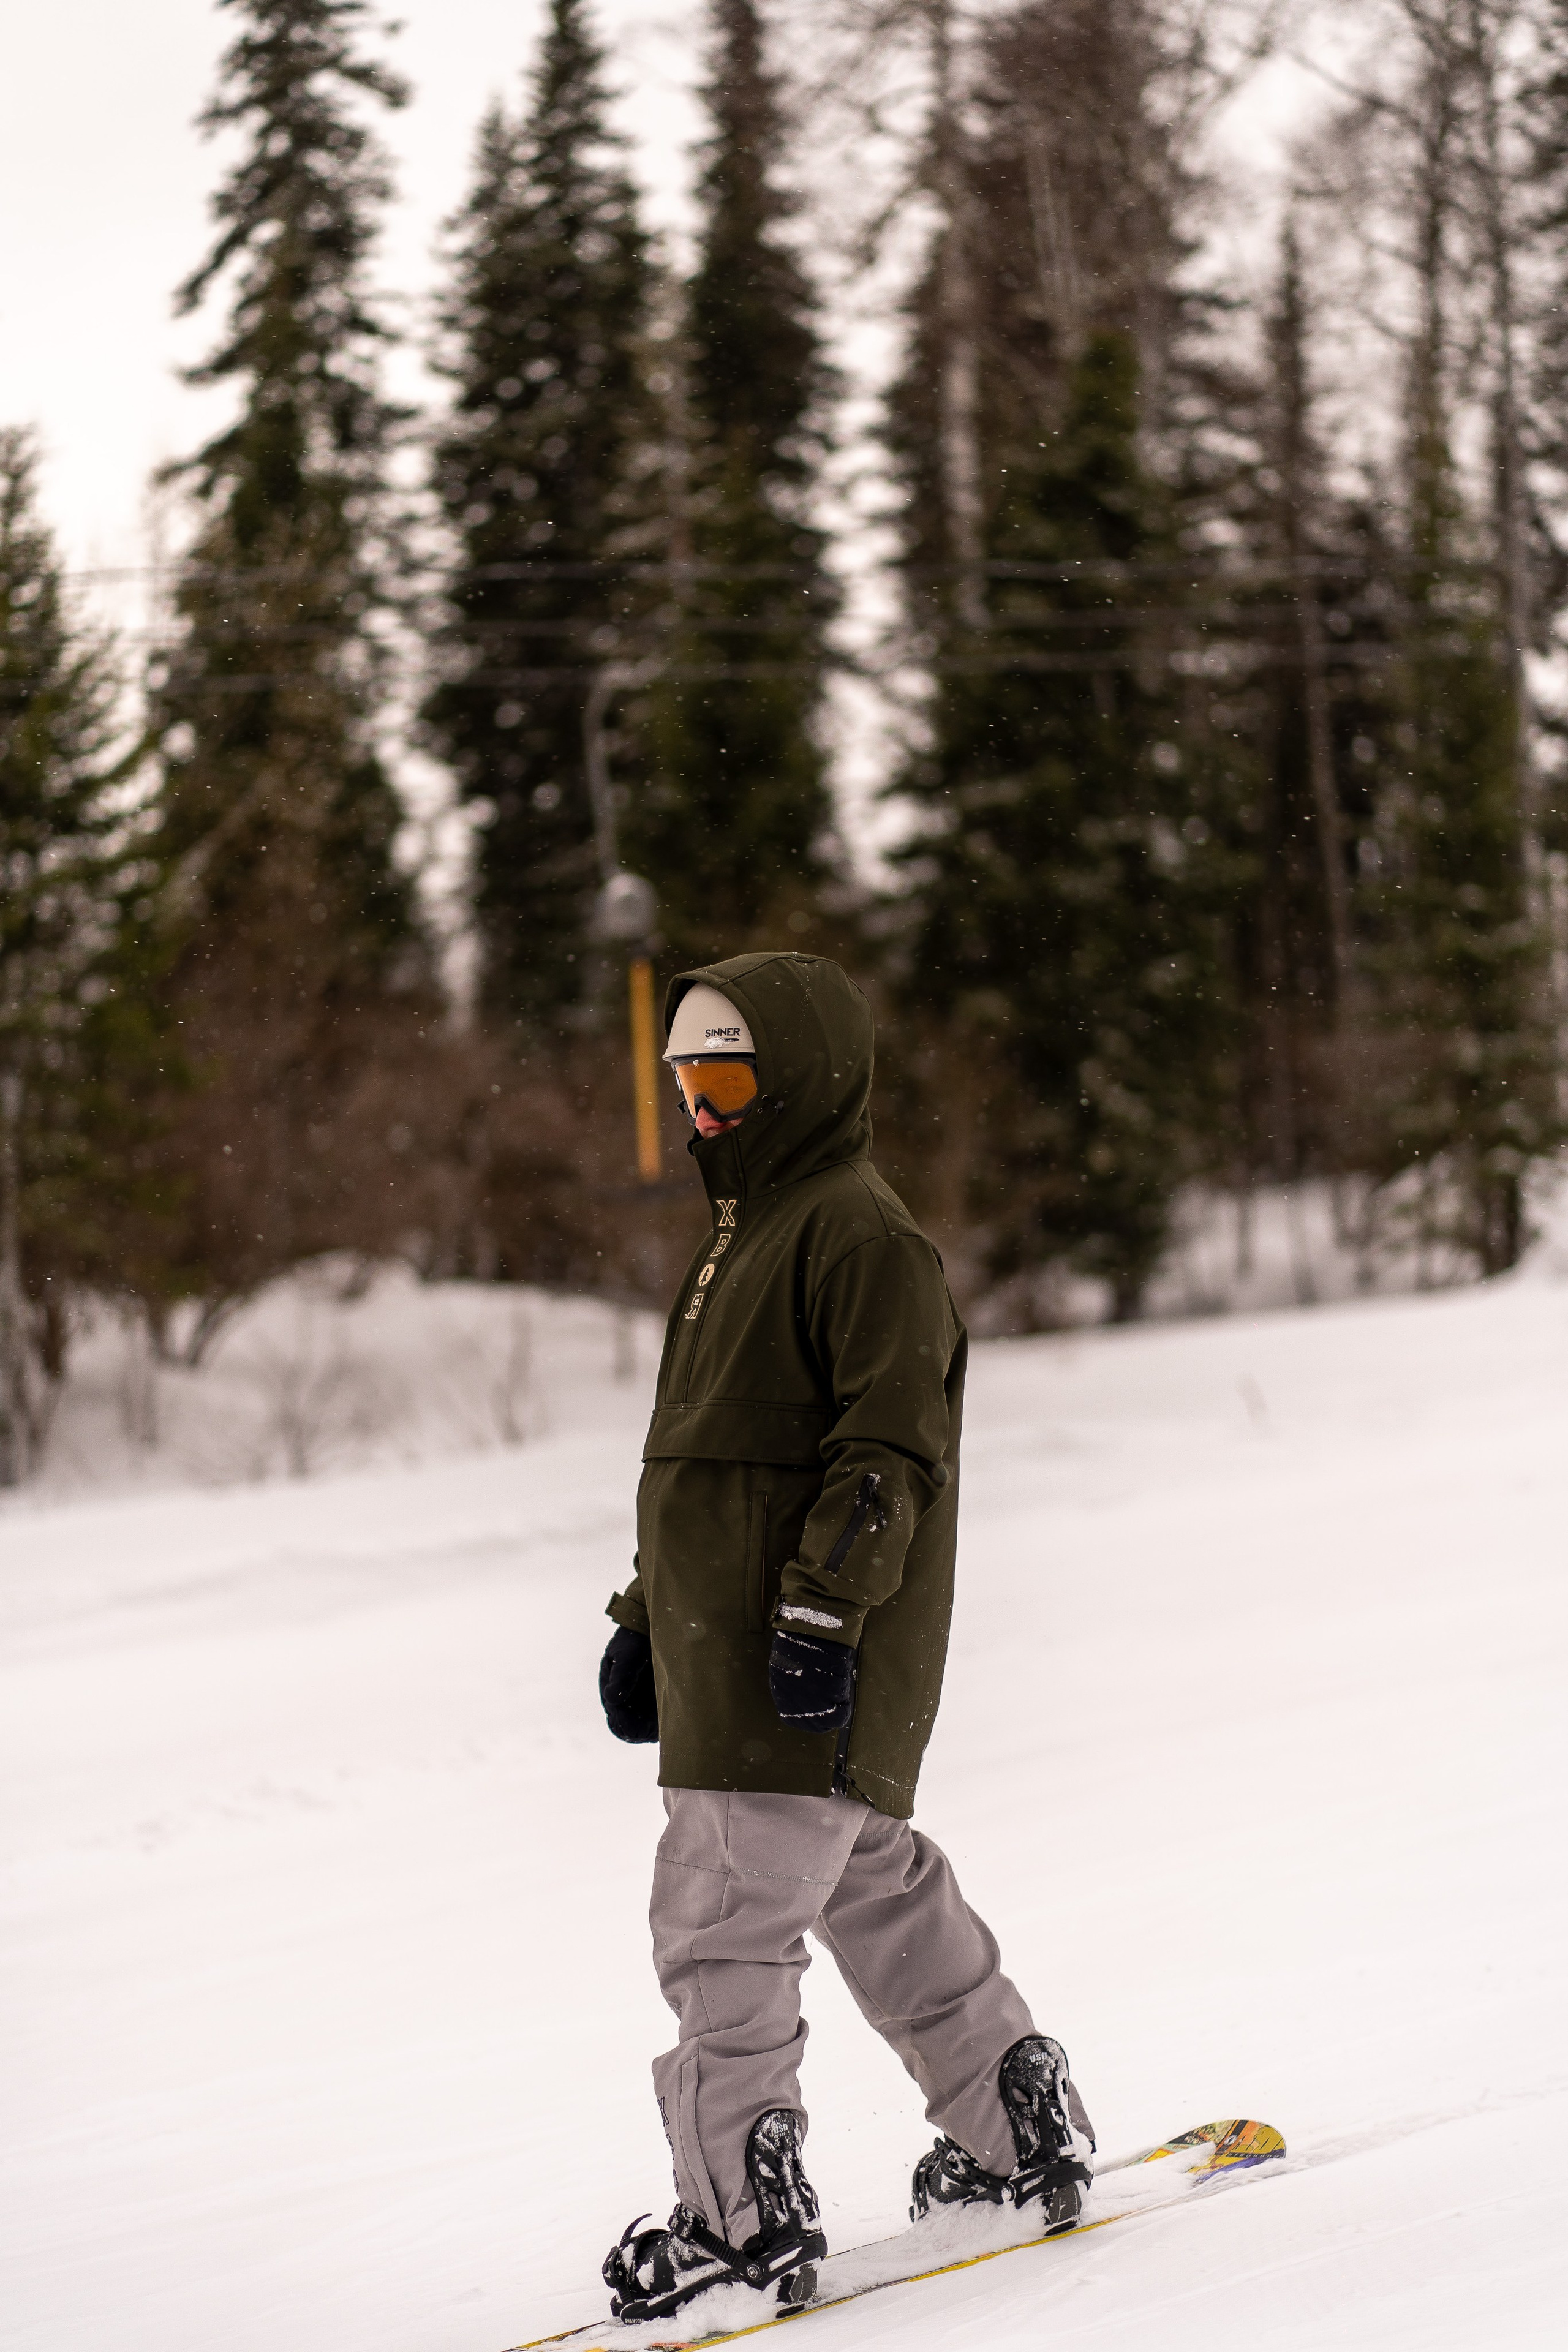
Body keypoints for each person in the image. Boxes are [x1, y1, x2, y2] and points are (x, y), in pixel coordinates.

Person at [597, 952, 1093, 2324]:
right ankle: (1015, 2115)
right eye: (685, 1079)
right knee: (868, 1880)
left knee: (720, 1923)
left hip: (789, 1658)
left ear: (802, 1081)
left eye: (729, 1078)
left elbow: (886, 1452)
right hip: (732, 1656)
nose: (701, 1109)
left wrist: (821, 1612)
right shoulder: (741, 1237)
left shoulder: (856, 1240)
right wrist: (647, 1622)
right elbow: (708, 1471)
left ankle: (736, 2216)